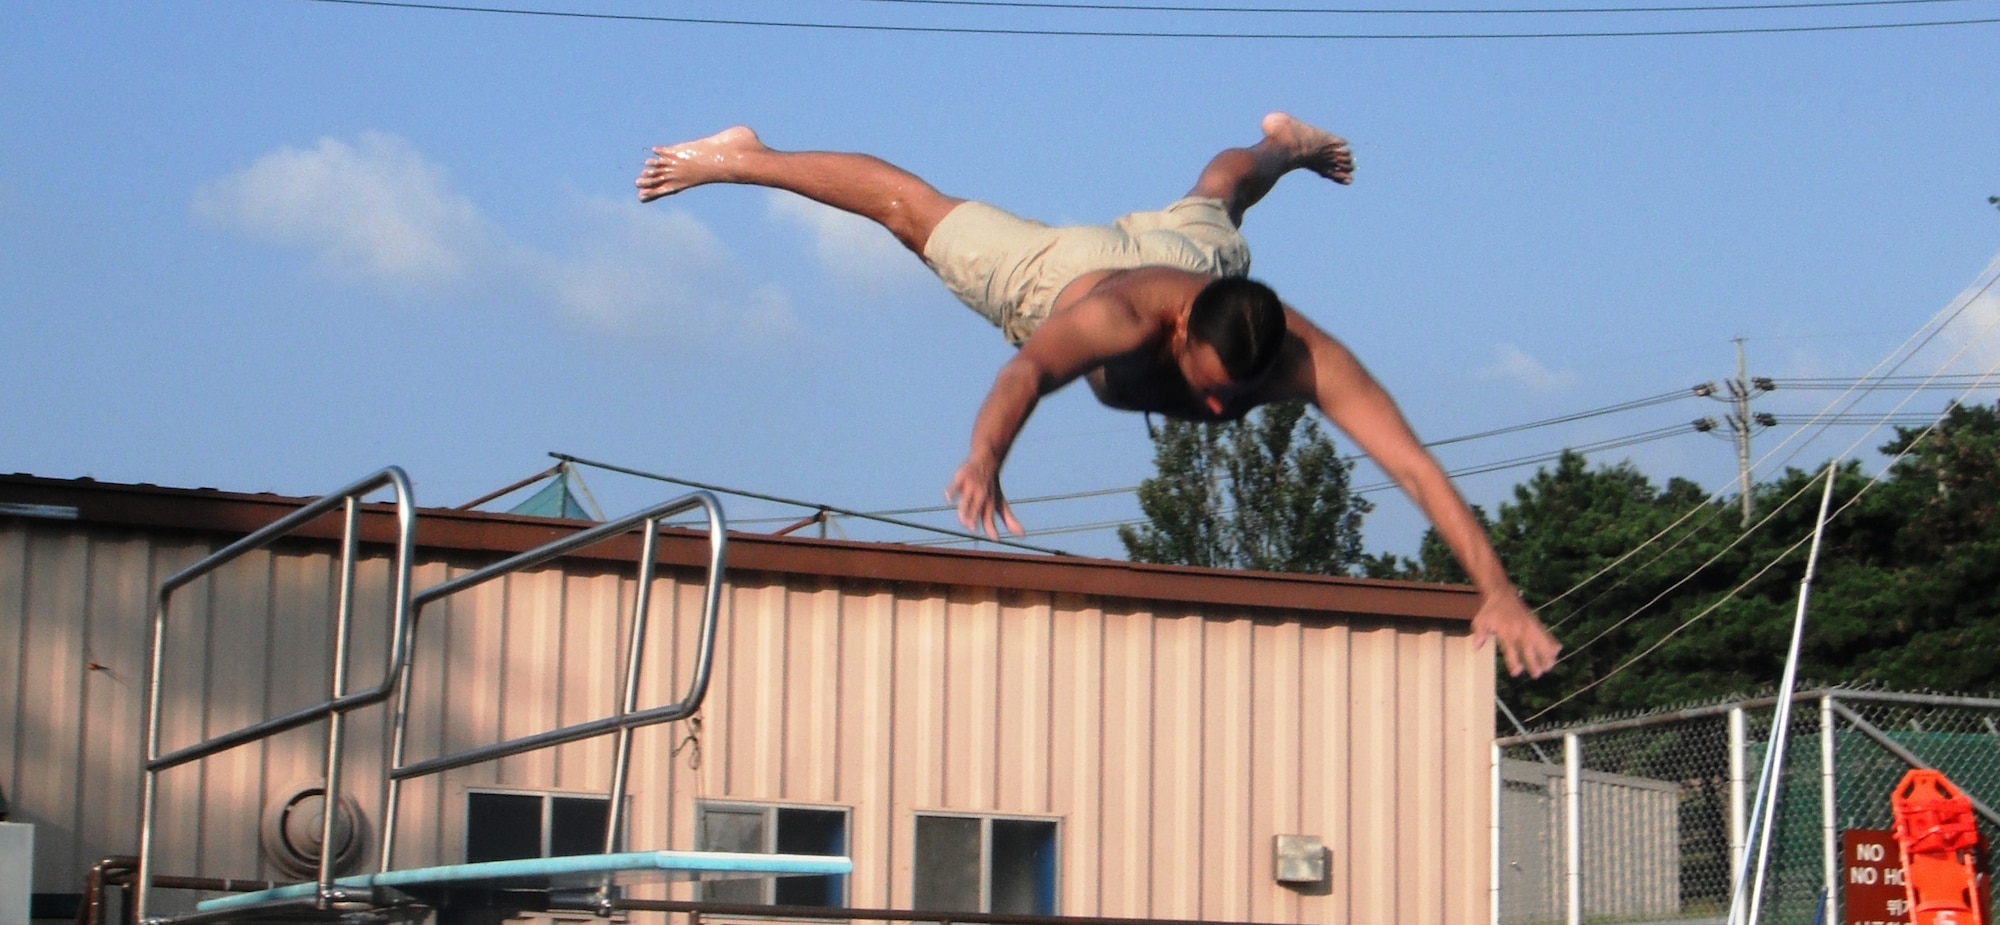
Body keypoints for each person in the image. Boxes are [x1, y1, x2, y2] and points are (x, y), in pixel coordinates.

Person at [637, 116, 1560, 678]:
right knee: (908, 212)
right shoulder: (1117, 318)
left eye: (1235, 402)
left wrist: (1499, 590)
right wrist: (987, 453)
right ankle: (742, 157)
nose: (1211, 415)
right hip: (1062, 279)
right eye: (1207, 393)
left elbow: (1411, 465)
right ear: (1178, 335)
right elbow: (1023, 375)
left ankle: (1285, 144)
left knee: (1220, 196)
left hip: (1194, 259)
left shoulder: (1290, 345)